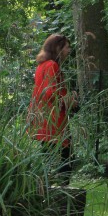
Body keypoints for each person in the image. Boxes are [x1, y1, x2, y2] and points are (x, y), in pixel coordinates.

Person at [29, 34, 76, 183]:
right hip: (54, 119)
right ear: (58, 48)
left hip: (42, 118)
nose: (69, 50)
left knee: (48, 158)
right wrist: (69, 101)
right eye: (67, 47)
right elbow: (50, 92)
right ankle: (63, 194)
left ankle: (47, 192)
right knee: (66, 158)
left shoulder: (41, 65)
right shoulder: (52, 65)